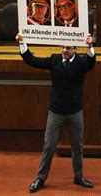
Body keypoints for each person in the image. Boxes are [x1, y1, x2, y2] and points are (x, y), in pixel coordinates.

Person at [15, 33, 95, 193]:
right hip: (56, 112)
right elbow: (33, 61)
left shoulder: (81, 63)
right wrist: (22, 43)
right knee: (49, 146)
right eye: (63, 47)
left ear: (75, 49)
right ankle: (40, 178)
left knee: (77, 146)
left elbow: (91, 63)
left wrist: (90, 46)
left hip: (74, 112)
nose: (65, 51)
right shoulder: (54, 60)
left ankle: (78, 177)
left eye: (68, 48)